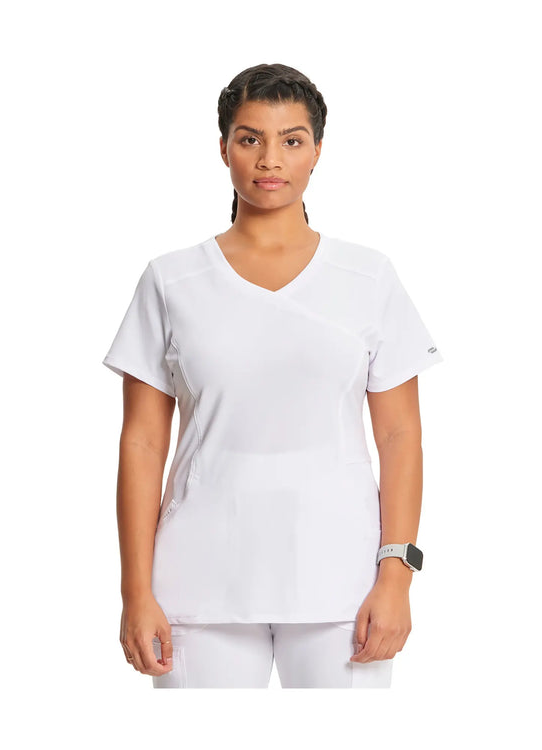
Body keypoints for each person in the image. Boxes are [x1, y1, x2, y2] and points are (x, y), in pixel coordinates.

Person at [102, 63, 444, 688]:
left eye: (291, 139)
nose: (270, 159)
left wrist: (397, 577)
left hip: (343, 584)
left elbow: (401, 438)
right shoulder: (171, 280)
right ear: (223, 148)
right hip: (197, 583)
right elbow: (142, 442)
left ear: (317, 150)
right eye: (249, 138)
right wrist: (135, 591)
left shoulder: (367, 277)